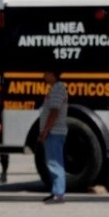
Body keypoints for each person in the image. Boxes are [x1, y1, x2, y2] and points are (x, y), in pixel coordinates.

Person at [39, 70, 69, 204]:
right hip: (55, 131)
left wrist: (45, 130)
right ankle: (56, 191)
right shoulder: (57, 88)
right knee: (53, 161)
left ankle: (58, 193)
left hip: (54, 132)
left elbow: (54, 111)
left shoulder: (57, 89)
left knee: (55, 163)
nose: (44, 76)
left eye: (46, 73)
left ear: (52, 74)